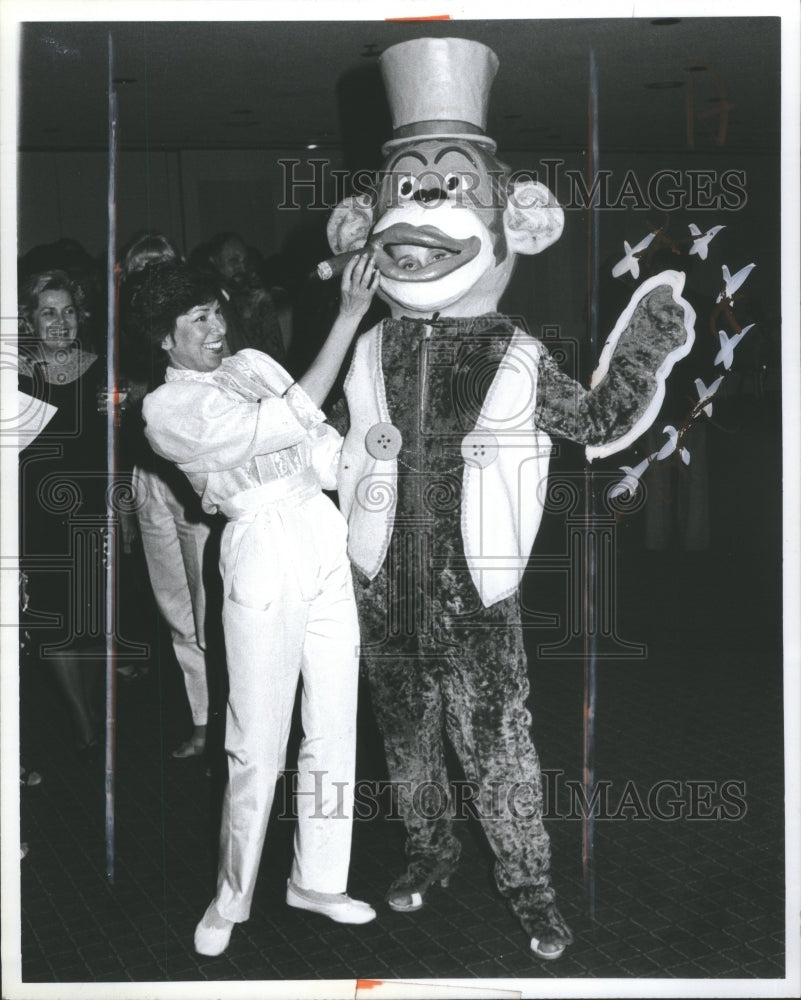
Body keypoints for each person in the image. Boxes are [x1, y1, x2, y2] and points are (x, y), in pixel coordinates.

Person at [131, 253, 378, 956]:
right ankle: (230, 897)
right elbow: (288, 418)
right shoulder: (165, 409)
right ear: (164, 336)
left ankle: (318, 879)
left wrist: (379, 456)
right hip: (259, 549)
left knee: (333, 722)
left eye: (217, 311)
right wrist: (350, 316)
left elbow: (324, 450)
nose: (216, 327)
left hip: (321, 533)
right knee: (253, 742)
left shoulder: (257, 363)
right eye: (197, 318)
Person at [118, 232, 218, 758]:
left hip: (191, 477)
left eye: (160, 266)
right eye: (140, 268)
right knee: (174, 606)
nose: (150, 275)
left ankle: (226, 719)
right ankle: (202, 720)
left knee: (208, 607)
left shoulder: (202, 327)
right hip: (149, 479)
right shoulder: (127, 333)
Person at [18, 269, 106, 752]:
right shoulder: (15, 374)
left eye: (68, 311)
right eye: (48, 312)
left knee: (93, 624)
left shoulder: (102, 369)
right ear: (30, 318)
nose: (59, 322)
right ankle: (84, 723)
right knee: (55, 621)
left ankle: (87, 709)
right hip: (38, 516)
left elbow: (118, 446)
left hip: (94, 511)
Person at [191, 232, 287, 364]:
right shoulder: (210, 302)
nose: (242, 268)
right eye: (233, 261)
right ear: (213, 261)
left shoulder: (248, 297)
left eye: (245, 261)